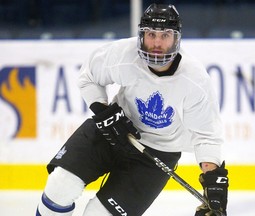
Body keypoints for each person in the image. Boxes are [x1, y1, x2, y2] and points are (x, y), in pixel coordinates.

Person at [36, 3, 229, 216]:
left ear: (177, 38)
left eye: (165, 35)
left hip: (157, 155)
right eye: (151, 34)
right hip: (111, 130)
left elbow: (207, 136)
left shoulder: (194, 81)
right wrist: (103, 111)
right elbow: (88, 77)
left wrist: (213, 184)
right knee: (60, 185)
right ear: (141, 35)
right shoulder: (123, 55)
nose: (157, 42)